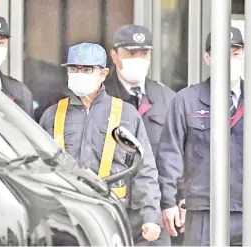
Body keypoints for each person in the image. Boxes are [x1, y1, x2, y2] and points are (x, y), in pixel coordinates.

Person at [39, 42, 162, 244]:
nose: (80, 74)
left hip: (112, 214)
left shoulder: (125, 114)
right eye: (74, 69)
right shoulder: (52, 115)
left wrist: (150, 216)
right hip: (65, 217)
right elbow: (39, 168)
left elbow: (144, 168)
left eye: (87, 69)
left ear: (103, 74)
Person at [156, 26, 245, 246]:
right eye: (223, 55)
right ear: (208, 58)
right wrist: (168, 201)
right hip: (203, 210)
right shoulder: (186, 100)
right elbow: (170, 154)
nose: (230, 60)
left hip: (250, 209)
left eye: (235, 54)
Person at [104, 24, 176, 246]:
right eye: (130, 53)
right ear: (114, 55)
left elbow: (175, 155)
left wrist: (173, 201)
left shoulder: (167, 98)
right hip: (112, 207)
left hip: (155, 210)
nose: (138, 59)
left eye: (144, 53)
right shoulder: (101, 97)